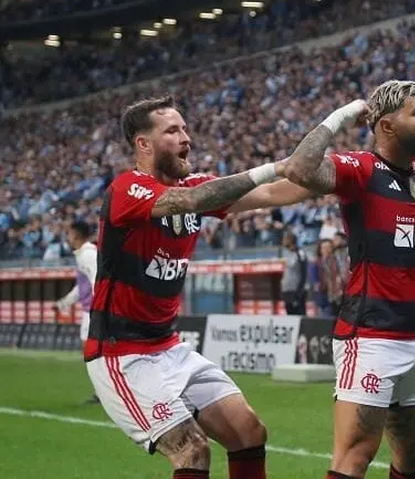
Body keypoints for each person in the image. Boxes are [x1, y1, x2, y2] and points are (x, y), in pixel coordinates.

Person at [84, 95, 312, 479]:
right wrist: (274, 166)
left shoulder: (197, 186)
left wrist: (339, 176)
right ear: (144, 144)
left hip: (169, 348)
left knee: (248, 432)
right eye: (172, 131)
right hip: (122, 355)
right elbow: (188, 200)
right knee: (192, 449)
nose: (186, 137)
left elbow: (277, 193)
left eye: (185, 128)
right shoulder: (127, 189)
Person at [284, 80, 415, 479]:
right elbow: (299, 168)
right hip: (370, 338)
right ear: (386, 126)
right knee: (354, 458)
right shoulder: (360, 169)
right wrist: (342, 116)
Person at [54, 220, 100, 404]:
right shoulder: (83, 254)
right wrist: (63, 304)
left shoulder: (88, 254)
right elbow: (82, 288)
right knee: (91, 354)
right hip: (89, 311)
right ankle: (101, 391)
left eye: (69, 233)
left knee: (93, 353)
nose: (67, 237)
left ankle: (104, 392)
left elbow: (98, 282)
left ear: (75, 234)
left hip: (94, 312)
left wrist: (100, 310)